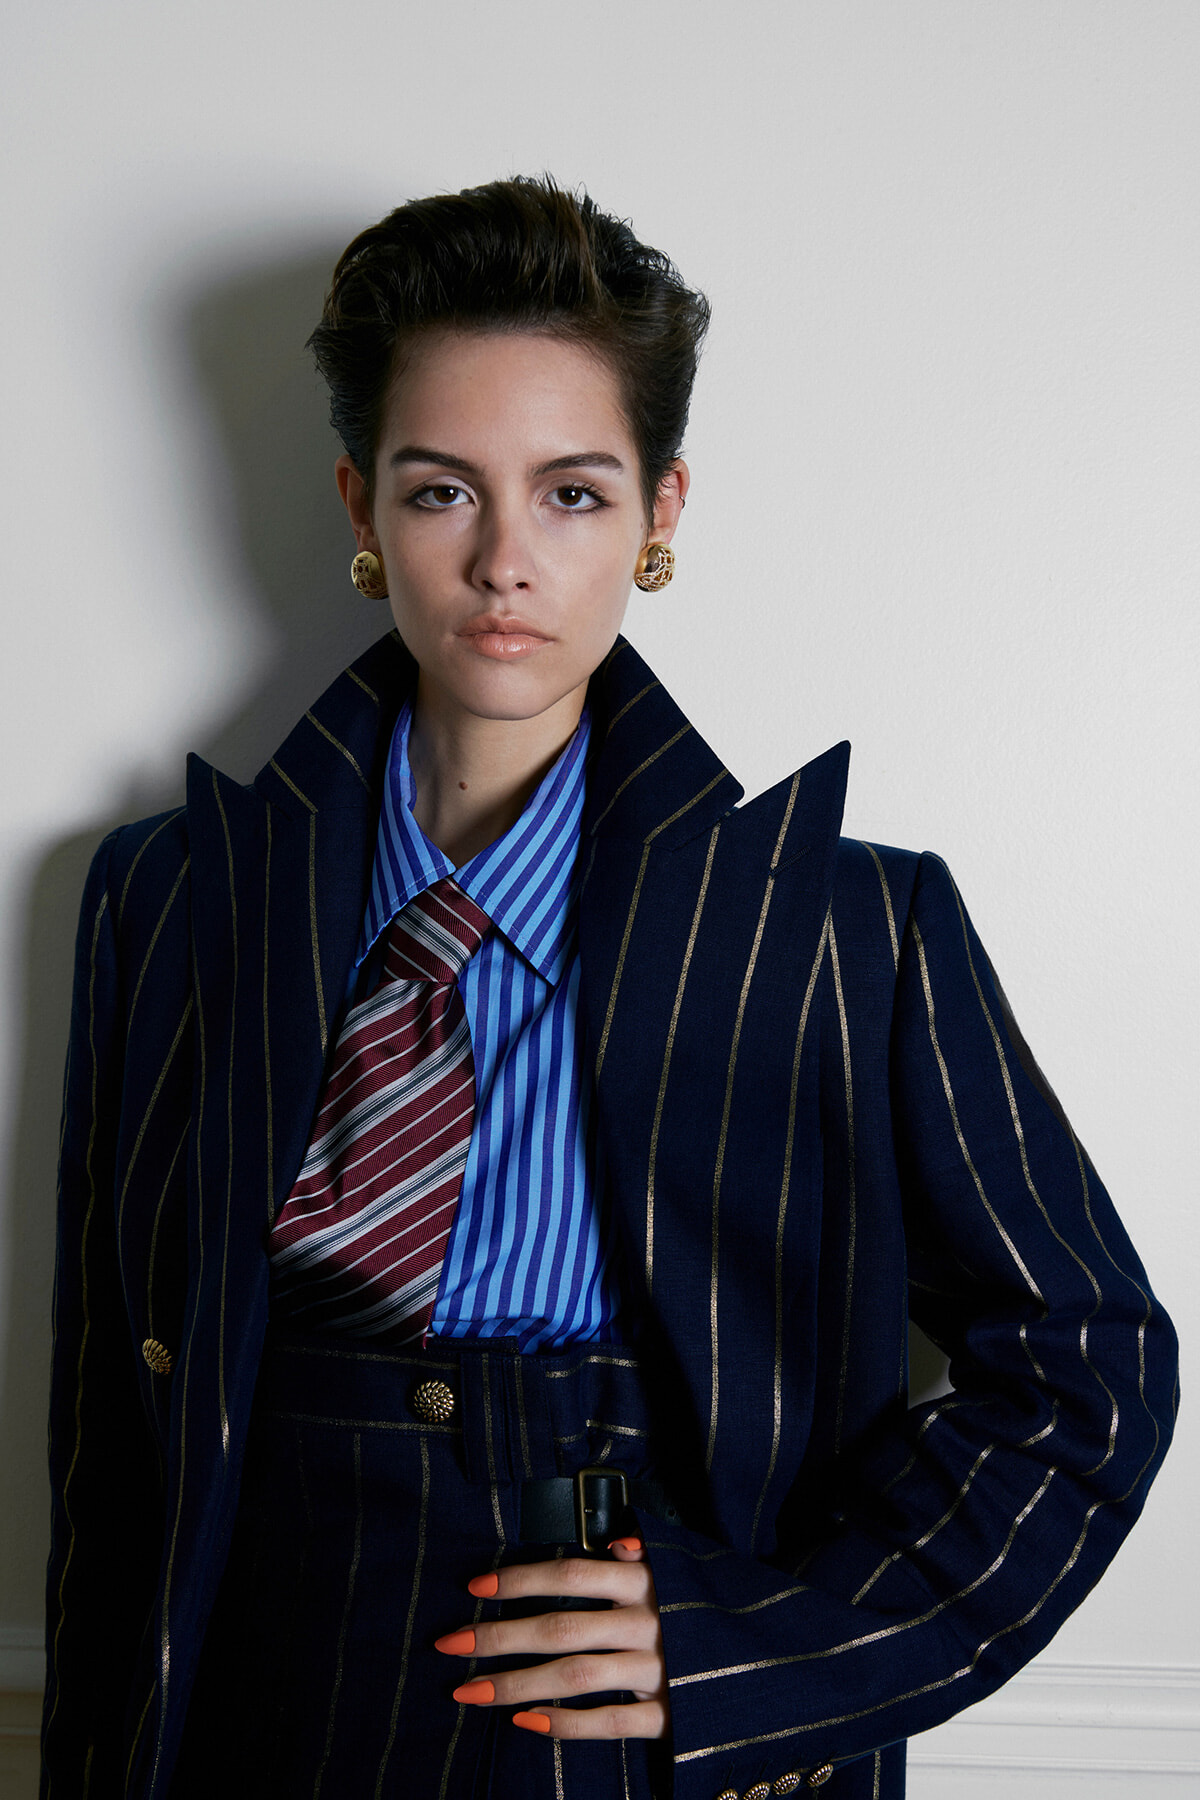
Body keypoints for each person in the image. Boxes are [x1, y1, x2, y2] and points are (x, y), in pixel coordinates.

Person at [42, 176, 1177, 1800]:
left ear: (660, 512)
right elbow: (108, 1433)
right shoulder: (166, 898)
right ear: (361, 509)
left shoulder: (849, 931)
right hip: (259, 1702)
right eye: (445, 492)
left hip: (632, 1737)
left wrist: (779, 1649)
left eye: (572, 494)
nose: (506, 561)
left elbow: (1089, 1361)